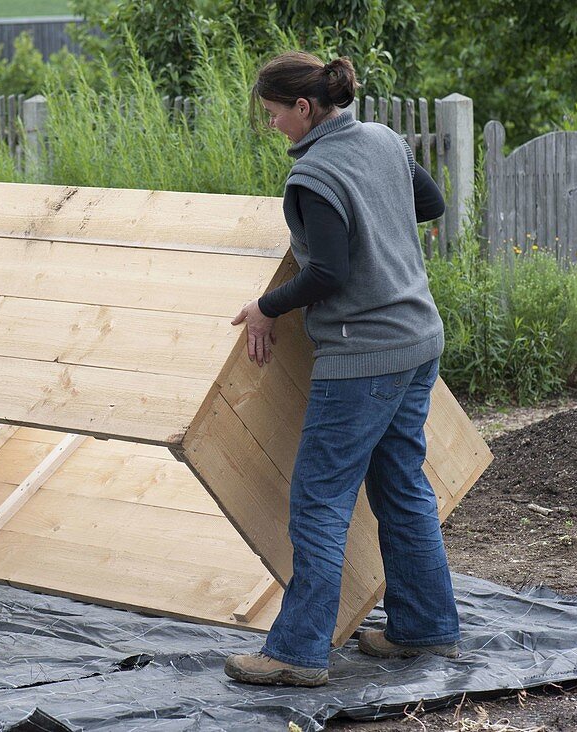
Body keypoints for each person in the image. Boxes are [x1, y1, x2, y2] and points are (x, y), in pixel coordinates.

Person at [223, 52, 459, 686]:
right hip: (418, 338)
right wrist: (381, 224)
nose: (271, 126)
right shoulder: (381, 138)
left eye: (273, 115)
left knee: (320, 500)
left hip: (363, 356)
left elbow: (329, 275)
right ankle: (425, 628)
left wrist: (267, 307)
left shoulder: (315, 176)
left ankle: (296, 653)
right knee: (402, 486)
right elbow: (430, 203)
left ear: (304, 108)